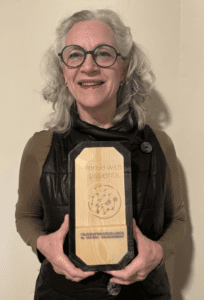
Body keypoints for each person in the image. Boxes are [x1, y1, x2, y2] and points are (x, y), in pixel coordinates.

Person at [15, 9, 187, 300]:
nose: (89, 66)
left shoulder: (159, 143)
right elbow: (26, 216)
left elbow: (178, 220)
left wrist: (158, 252)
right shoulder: (40, 146)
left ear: (124, 66)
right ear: (63, 71)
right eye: (74, 55)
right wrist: (43, 245)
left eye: (103, 54)